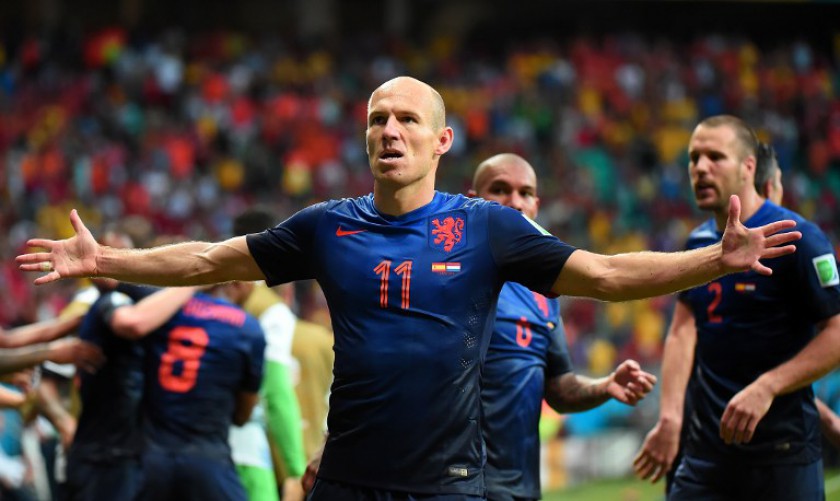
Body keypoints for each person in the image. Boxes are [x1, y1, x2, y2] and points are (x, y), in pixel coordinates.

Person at [18, 77, 800, 500]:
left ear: (440, 141)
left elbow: (602, 274)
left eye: (406, 120)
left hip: (447, 486)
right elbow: (204, 262)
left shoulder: (488, 228)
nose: (389, 130)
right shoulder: (326, 226)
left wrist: (710, 262)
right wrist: (106, 262)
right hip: (349, 483)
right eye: (376, 118)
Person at [632, 115, 840, 500]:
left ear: (748, 167)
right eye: (694, 158)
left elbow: (837, 334)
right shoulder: (697, 242)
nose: (700, 168)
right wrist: (670, 417)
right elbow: (681, 331)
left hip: (782, 454)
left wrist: (767, 386)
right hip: (705, 456)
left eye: (715, 156)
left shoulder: (798, 237)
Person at [469, 153, 657, 501]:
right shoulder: (451, 278)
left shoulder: (543, 295)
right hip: (457, 487)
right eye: (499, 190)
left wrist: (604, 386)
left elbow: (559, 390)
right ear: (472, 201)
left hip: (521, 487)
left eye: (525, 193)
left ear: (537, 205)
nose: (515, 202)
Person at [64, 277, 198, 501]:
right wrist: (194, 283)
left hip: (132, 454)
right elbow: (132, 323)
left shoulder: (153, 305)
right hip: (103, 459)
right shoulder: (110, 302)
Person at [137, 286, 266, 501]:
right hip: (209, 461)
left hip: (151, 459)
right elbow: (243, 415)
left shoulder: (158, 310)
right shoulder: (248, 328)